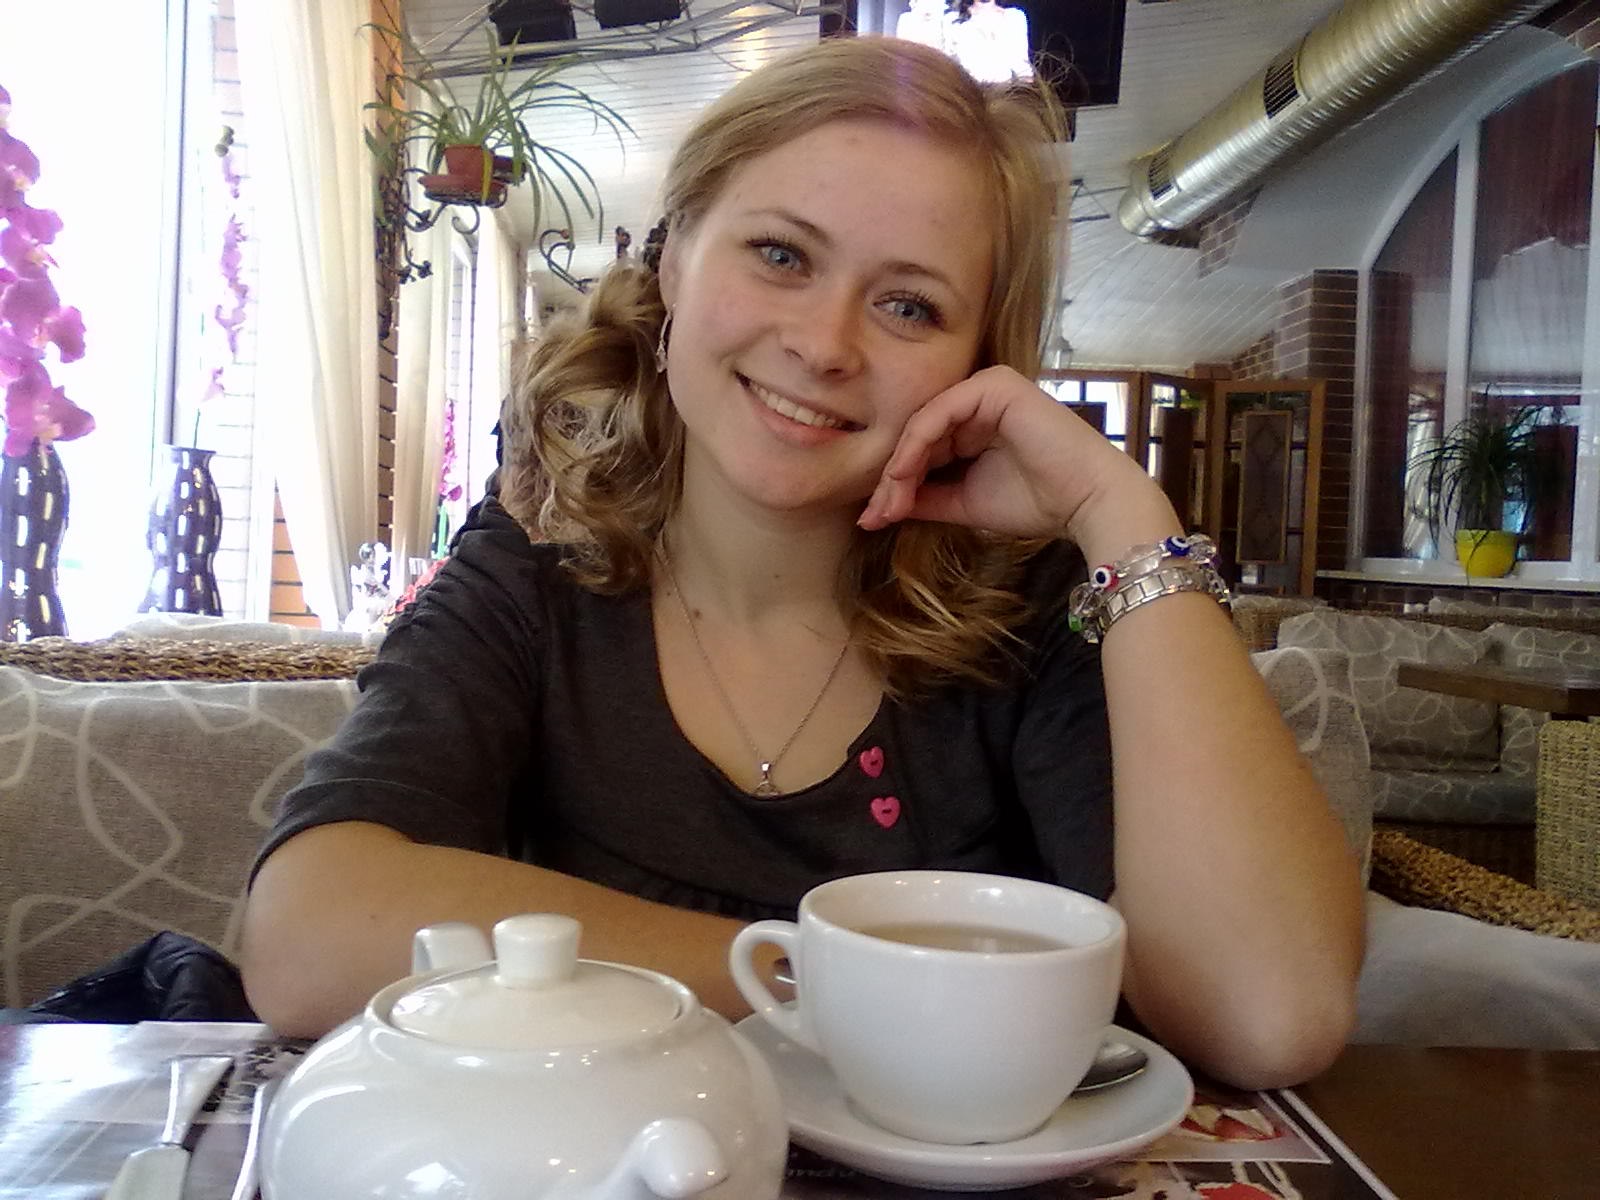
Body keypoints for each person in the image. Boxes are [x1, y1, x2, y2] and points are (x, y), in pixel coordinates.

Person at [240, 35, 1363, 1089]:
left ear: (978, 363)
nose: (825, 346)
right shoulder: (536, 565)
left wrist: (1119, 513)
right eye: (780, 254)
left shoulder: (1035, 610)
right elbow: (306, 932)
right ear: (672, 258)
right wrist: (835, 988)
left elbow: (1269, 1013)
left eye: (909, 306)